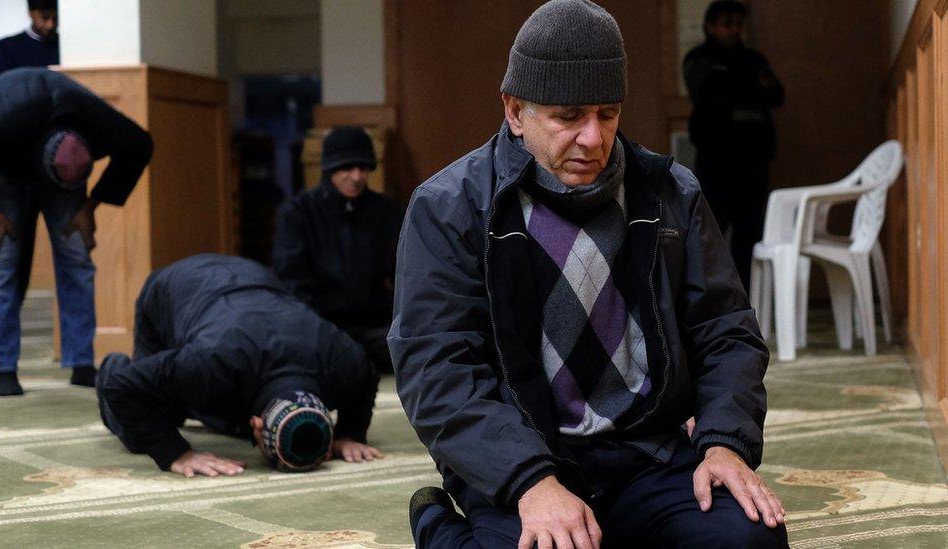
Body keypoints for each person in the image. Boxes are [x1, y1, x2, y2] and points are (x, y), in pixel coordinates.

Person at [389, 1, 788, 547]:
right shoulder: (447, 208)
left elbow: (727, 332)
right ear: (514, 111)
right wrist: (531, 481)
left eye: (607, 113)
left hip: (648, 453)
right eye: (568, 116)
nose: (594, 138)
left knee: (751, 540)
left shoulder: (672, 193)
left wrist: (724, 442)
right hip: (528, 455)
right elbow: (436, 368)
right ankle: (437, 525)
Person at [96, 254, 383, 478]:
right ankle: (113, 363)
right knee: (147, 427)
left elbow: (367, 376)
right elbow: (120, 386)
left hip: (251, 279)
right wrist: (177, 454)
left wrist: (349, 434)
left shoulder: (342, 361)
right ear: (257, 425)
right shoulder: (211, 364)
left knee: (210, 405)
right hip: (173, 288)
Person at [0, 67, 153, 396]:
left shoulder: (96, 122)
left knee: (76, 253)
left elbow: (141, 144)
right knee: (0, 262)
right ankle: (3, 370)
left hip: (62, 167)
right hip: (3, 170)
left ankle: (82, 363)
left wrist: (90, 206)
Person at [274, 126, 401, 372]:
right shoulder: (300, 213)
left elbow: (404, 273)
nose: (356, 177)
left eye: (363, 168)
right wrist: (315, 326)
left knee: (411, 348)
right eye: (347, 168)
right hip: (324, 324)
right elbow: (292, 278)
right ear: (330, 169)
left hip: (375, 325)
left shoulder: (386, 212)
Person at [683, 0, 784, 289]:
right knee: (708, 233)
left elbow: (777, 95)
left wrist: (735, 80)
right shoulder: (699, 57)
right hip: (717, 157)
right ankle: (708, 299)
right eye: (727, 24)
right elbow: (708, 91)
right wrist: (751, 83)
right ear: (710, 26)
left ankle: (747, 298)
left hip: (755, 157)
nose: (734, 30)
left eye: (738, 24)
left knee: (749, 233)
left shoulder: (754, 59)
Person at [0, 0, 59, 83]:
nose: (50, 25)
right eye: (45, 17)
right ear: (31, 13)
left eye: (55, 18)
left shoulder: (65, 46)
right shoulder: (5, 47)